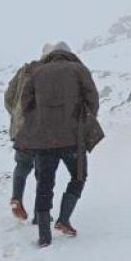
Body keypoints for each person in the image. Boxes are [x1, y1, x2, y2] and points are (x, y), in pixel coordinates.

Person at [16, 41, 100, 247]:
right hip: (73, 138)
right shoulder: (79, 70)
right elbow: (93, 99)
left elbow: (25, 104)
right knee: (79, 176)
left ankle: (44, 236)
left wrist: (39, 121)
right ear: (68, 54)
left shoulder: (37, 73)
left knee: (45, 184)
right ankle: (63, 219)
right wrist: (84, 120)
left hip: (44, 140)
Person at [3, 57, 39, 220]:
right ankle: (41, 211)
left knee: (22, 164)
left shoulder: (23, 71)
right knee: (43, 169)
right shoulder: (47, 73)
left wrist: (16, 115)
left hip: (19, 129)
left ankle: (16, 198)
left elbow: (8, 97)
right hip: (38, 129)